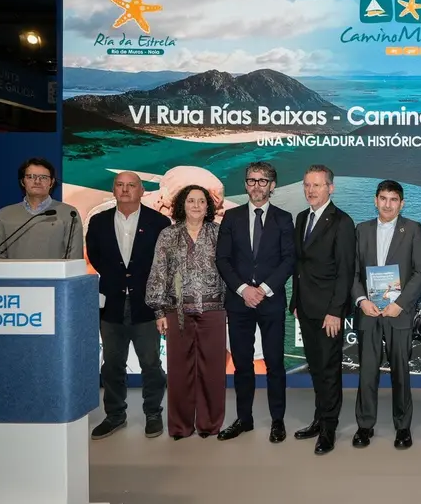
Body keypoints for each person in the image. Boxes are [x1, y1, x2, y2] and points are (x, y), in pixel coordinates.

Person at [86, 172, 171, 440]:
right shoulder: (98, 221)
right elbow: (95, 257)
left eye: (131, 185)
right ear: (113, 190)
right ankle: (115, 415)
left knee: (151, 363)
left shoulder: (159, 222)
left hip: (145, 304)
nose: (125, 190)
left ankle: (153, 413)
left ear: (142, 190)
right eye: (120, 185)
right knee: (112, 364)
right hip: (110, 303)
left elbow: (163, 263)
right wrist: (117, 279)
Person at [216, 162, 295, 444]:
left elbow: (289, 260)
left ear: (272, 185)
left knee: (275, 364)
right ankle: (244, 419)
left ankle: (277, 421)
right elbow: (222, 259)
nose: (256, 186)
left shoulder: (284, 218)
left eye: (263, 181)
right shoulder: (231, 217)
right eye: (252, 180)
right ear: (245, 184)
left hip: (270, 302)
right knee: (242, 364)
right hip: (239, 303)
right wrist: (243, 290)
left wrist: (261, 289)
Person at [351, 180, 421, 450]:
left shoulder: (413, 229)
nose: (387, 204)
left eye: (393, 199)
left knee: (401, 373)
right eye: (383, 198)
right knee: (367, 372)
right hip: (369, 312)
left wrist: (401, 303)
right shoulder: (361, 230)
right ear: (375, 200)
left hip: (399, 313)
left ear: (401, 204)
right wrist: (361, 301)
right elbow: (352, 272)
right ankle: (364, 425)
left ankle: (403, 427)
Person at [146, 185, 227, 440]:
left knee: (213, 370)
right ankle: (180, 426)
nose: (196, 205)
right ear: (182, 204)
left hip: (213, 309)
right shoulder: (168, 235)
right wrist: (159, 310)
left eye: (201, 201)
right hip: (176, 311)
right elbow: (159, 272)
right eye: (191, 201)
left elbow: (230, 269)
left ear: (208, 206)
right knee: (179, 371)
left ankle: (210, 424)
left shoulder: (219, 233)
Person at [289, 164, 356, 455]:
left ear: (330, 188)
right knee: (316, 368)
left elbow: (345, 271)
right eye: (307, 185)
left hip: (329, 312)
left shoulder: (342, 222)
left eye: (317, 185)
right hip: (305, 308)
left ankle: (329, 429)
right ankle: (319, 419)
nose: (310, 190)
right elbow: (299, 265)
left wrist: (336, 311)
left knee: (329, 371)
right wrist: (295, 301)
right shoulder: (302, 218)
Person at [0, 157, 83, 259]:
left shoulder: (69, 214)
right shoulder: (4, 215)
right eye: (31, 177)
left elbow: (74, 259)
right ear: (22, 181)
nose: (37, 181)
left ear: (51, 182)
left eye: (43, 177)